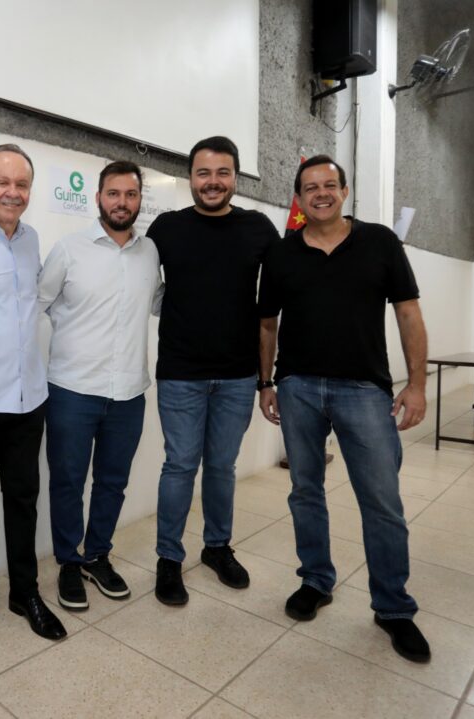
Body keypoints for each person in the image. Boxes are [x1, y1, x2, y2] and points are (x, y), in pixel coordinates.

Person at [257, 155, 431, 663]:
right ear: (298, 197)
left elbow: (408, 313)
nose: (321, 193)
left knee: (382, 501)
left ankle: (393, 607)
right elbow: (267, 323)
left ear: (345, 191)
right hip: (298, 388)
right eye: (310, 187)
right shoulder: (282, 253)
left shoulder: (380, 242)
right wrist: (266, 382)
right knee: (305, 491)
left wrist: (417, 384)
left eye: (329, 185)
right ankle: (316, 579)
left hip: (365, 390)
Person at [147, 136, 279, 604]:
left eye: (223, 173)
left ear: (235, 178)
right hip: (180, 373)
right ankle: (168, 558)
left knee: (221, 467)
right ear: (190, 178)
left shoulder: (258, 228)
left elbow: (275, 307)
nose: (213, 181)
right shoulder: (166, 228)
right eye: (203, 173)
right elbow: (132, 278)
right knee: (180, 466)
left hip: (238, 376)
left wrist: (267, 379)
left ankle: (217, 547)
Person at [38, 161, 163, 611]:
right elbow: (39, 302)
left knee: (112, 482)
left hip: (129, 392)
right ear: (98, 198)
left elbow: (157, 303)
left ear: (139, 200)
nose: (122, 203)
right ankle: (69, 563)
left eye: (130, 194)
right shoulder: (69, 250)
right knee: (68, 482)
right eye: (114, 194)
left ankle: (97, 556)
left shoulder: (150, 253)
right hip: (72, 390)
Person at [0, 144, 66, 641]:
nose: (12, 192)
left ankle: (25, 592)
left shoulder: (31, 239)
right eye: (2, 182)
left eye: (22, 184)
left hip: (29, 398)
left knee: (24, 499)